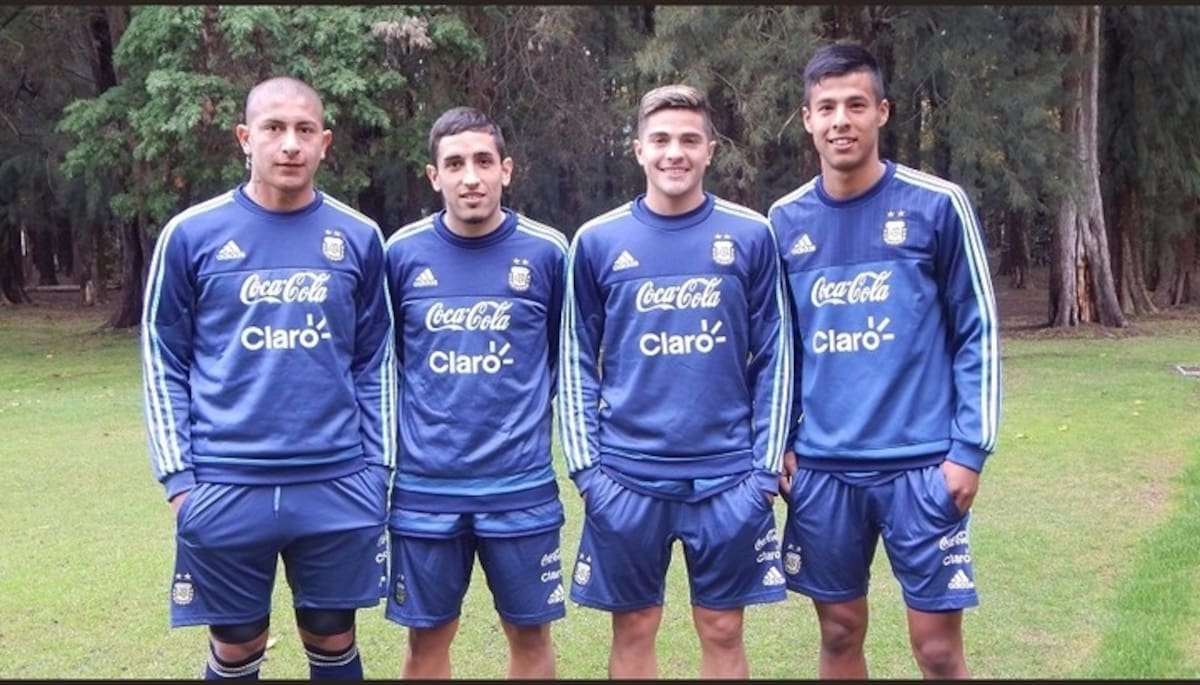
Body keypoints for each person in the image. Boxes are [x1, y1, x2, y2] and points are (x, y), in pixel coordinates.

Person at [140, 76, 395, 680]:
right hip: (227, 483)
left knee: (333, 640)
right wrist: (181, 483)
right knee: (236, 647)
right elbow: (162, 359)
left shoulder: (358, 237)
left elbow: (376, 360)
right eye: (274, 129)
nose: (289, 144)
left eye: (305, 130)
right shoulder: (192, 234)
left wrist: (376, 470)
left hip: (335, 480)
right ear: (244, 138)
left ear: (325, 142)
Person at [767, 42, 1002, 679]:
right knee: (840, 635)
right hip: (823, 471)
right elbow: (778, 349)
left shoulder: (937, 204)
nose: (841, 119)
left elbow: (977, 330)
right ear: (808, 118)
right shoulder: (784, 222)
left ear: (882, 112)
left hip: (923, 467)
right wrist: (782, 442)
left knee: (936, 648)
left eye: (855, 105)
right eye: (827, 107)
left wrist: (969, 450)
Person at [557, 84, 793, 679]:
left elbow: (776, 355)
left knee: (721, 628)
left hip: (728, 475)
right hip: (628, 477)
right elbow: (574, 359)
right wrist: (589, 473)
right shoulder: (598, 240)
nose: (674, 153)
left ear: (710, 150)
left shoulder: (751, 234)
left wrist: (762, 472)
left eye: (690, 139)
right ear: (638, 150)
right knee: (634, 628)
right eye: (660, 139)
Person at [382, 106, 568, 679]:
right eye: (455, 163)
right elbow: (389, 365)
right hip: (425, 491)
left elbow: (562, 359)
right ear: (433, 175)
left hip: (521, 488)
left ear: (506, 170)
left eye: (483, 161)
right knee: (427, 643)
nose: (471, 177)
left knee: (530, 638)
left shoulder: (547, 252)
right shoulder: (401, 254)